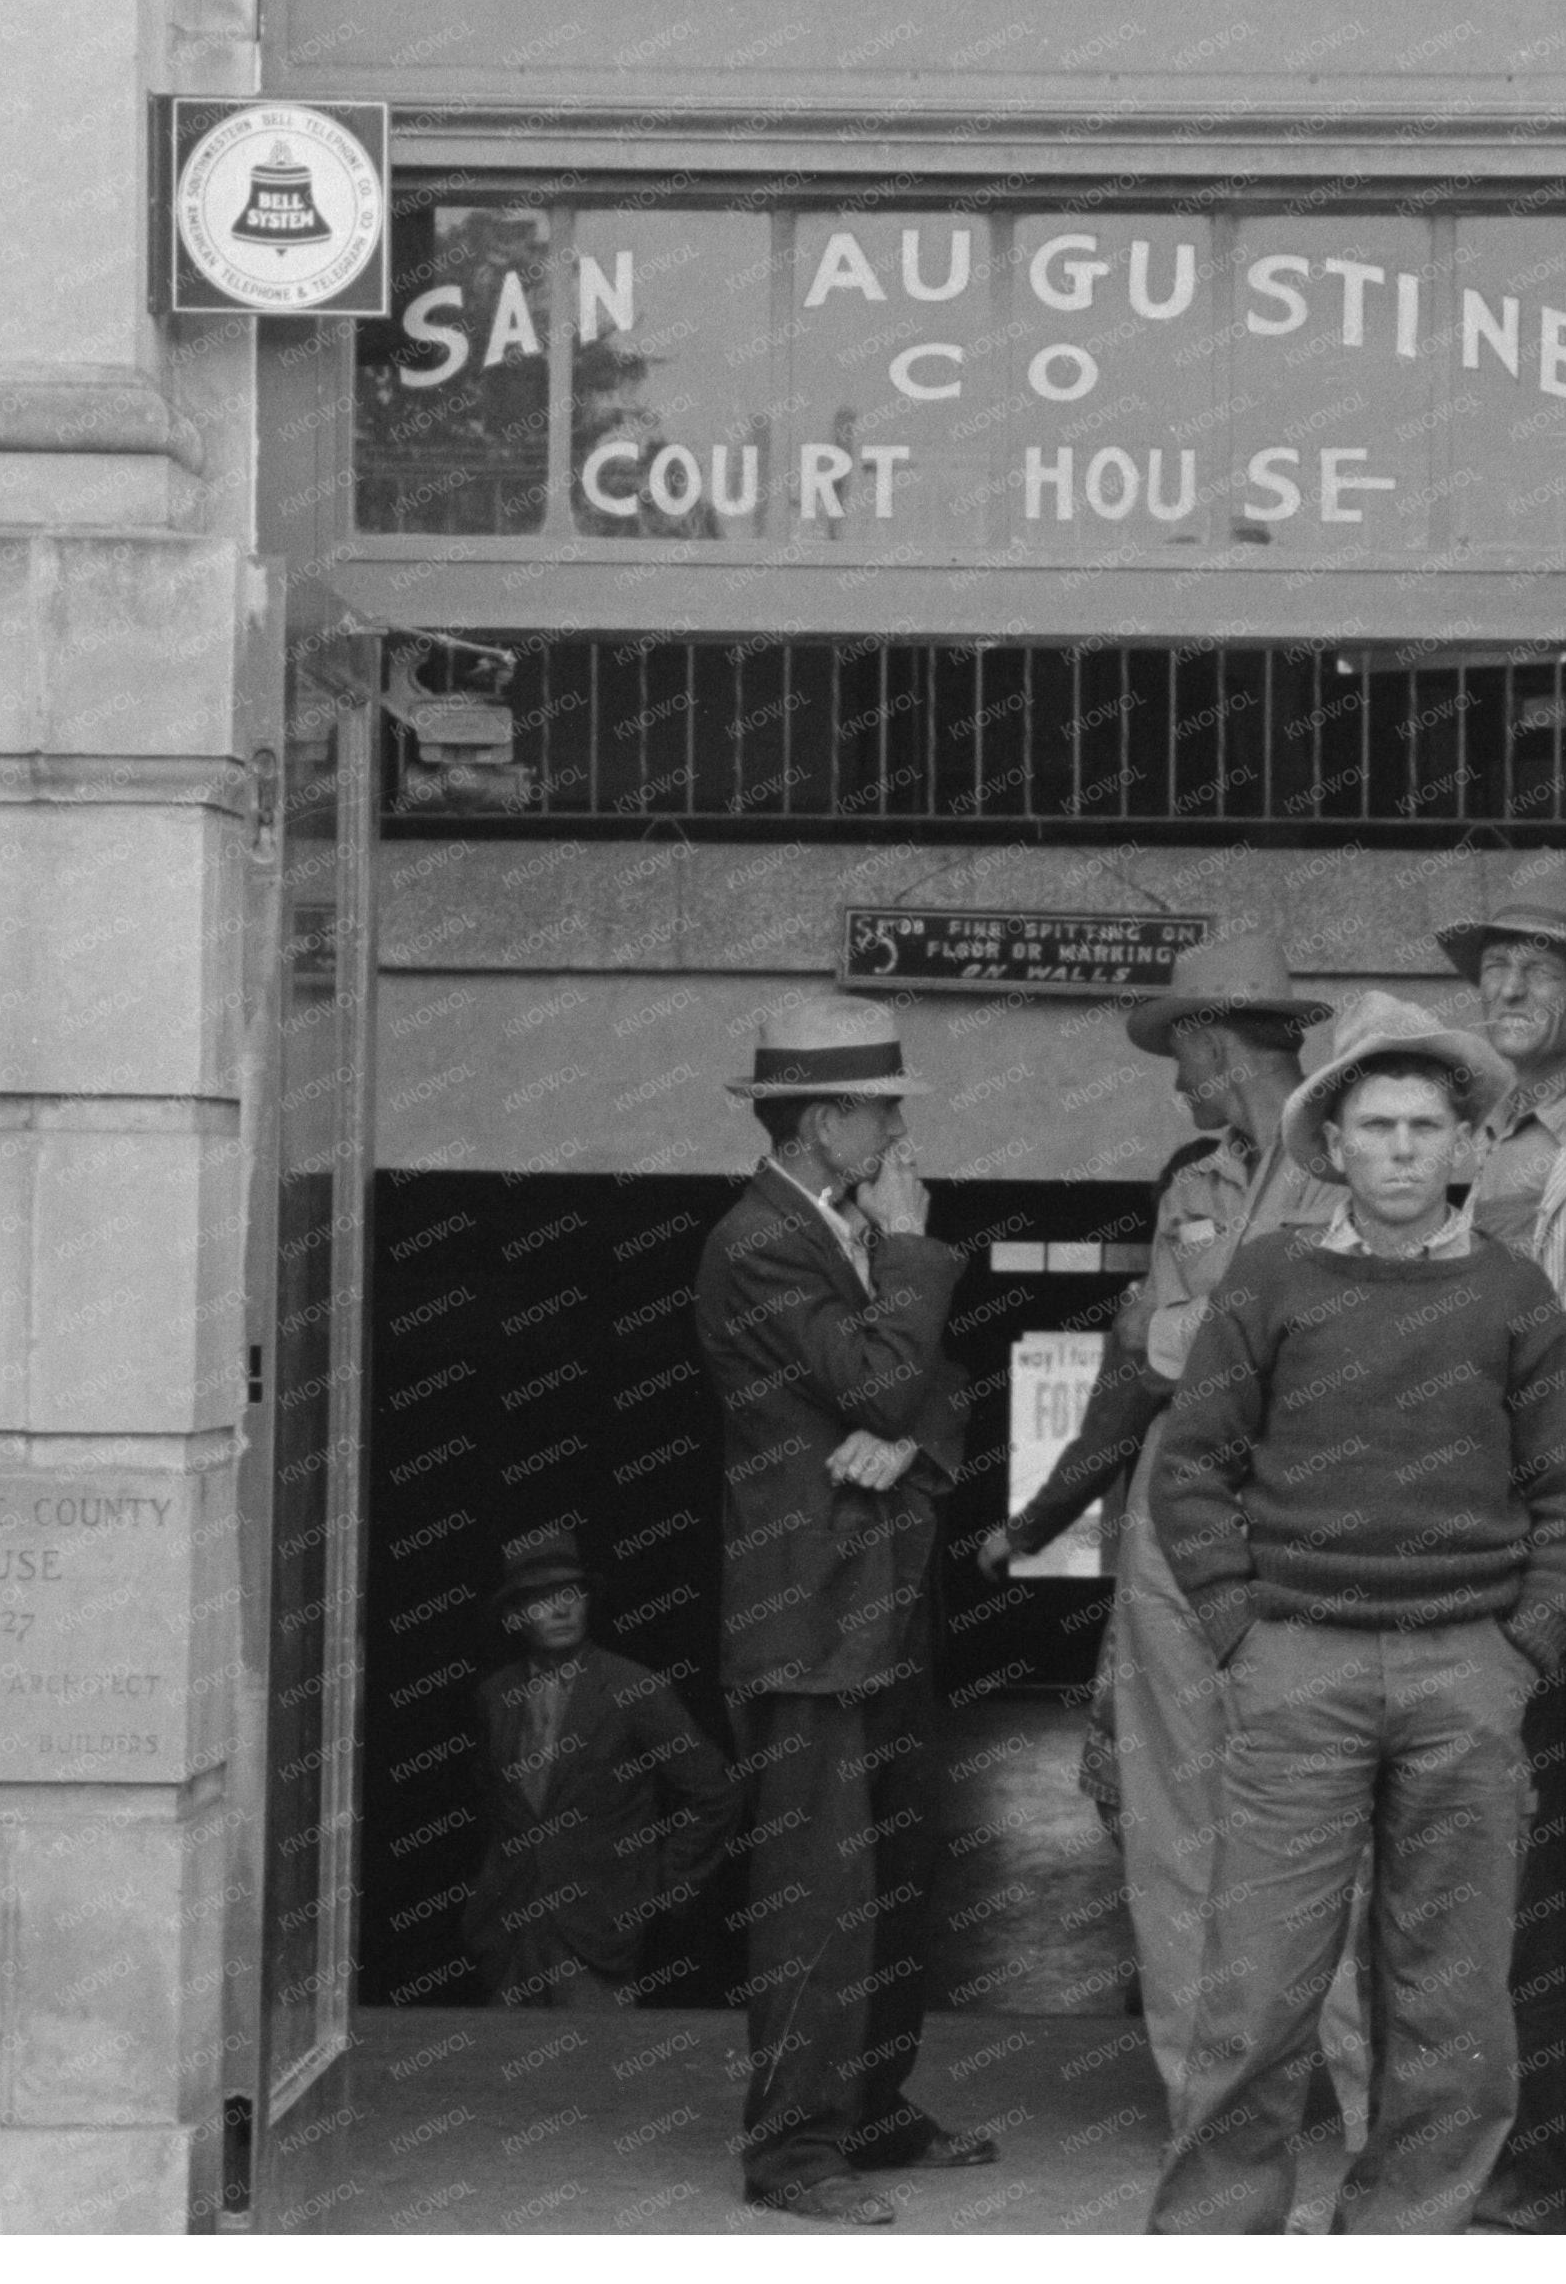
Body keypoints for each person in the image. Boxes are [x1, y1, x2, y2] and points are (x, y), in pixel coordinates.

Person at [1143, 991, 1566, 2235]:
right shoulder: (1268, 1279)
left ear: (1461, 1147)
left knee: (1450, 1995)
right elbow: (1191, 1468)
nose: (1400, 1148)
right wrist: (1241, 1627)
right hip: (1299, 1666)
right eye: (1375, 1126)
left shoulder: (1512, 1296)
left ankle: (1405, 2234)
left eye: (1422, 1127)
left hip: (1466, 1674)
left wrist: (1519, 1653)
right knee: (1257, 1985)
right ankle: (1211, 2239)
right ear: (1331, 1146)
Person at [975, 930, 1370, 2131]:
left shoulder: (1354, 1163)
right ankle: (1210, 2097)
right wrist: (1045, 1513)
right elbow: (1144, 1363)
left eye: (1179, 1053)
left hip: (1302, 1517)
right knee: (1169, 1811)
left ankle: (1363, 2111)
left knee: (1329, 1808)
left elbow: (1281, 1348)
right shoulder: (1191, 1178)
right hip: (1170, 1513)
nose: (1173, 1082)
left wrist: (1181, 1326)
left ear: (1213, 1043)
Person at [693, 994, 997, 2227]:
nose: (896, 1133)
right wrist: (915, 1252)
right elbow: (879, 1375)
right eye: (881, 1110)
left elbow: (936, 1391)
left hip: (876, 1609)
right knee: (814, 1896)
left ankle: (867, 2104)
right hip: (809, 1619)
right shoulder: (759, 1242)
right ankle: (792, 2154)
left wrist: (903, 1435)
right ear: (823, 1120)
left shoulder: (830, 1225)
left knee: (893, 1875)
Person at [1437, 883, 1566, 2231]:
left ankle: (1536, 2169)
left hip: (1556, 1538)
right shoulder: (1473, 1132)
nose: (1501, 989)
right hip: (1457, 1533)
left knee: (1539, 1871)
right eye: (1489, 967)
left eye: (1532, 969)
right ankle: (1472, 2149)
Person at [458, 1525, 739, 2010]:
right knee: (499, 2072)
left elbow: (714, 1791)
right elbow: (497, 1804)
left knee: (595, 2070)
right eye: (541, 1599)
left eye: (571, 1594)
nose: (562, 1609)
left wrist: (664, 1885)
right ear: (513, 1615)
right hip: (510, 1925)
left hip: (599, 1928)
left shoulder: (635, 1688)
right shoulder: (494, 1696)